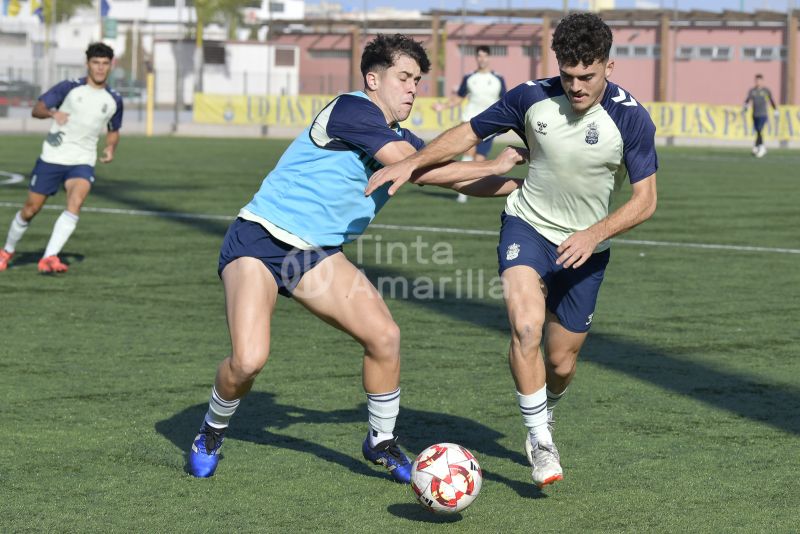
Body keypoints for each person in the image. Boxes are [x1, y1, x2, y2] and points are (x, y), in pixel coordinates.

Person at [187, 33, 525, 482]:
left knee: (384, 337)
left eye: (418, 80)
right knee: (248, 360)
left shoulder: (400, 137)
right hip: (261, 240)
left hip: (316, 255)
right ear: (373, 78)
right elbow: (414, 165)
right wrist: (491, 164)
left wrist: (528, 189)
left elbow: (447, 177)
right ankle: (211, 430)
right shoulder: (353, 110)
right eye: (404, 77)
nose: (412, 88)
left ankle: (380, 441)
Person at [366, 14, 658, 489]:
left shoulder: (631, 119)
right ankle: (539, 438)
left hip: (586, 247)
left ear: (610, 65)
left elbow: (645, 201)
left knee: (561, 364)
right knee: (525, 327)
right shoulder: (531, 97)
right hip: (528, 226)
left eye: (588, 75)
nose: (577, 86)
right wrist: (414, 161)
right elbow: (468, 133)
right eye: (568, 75)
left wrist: (592, 234)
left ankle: (545, 406)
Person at [0, 42, 122, 273]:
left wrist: (110, 147)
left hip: (82, 161)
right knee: (30, 209)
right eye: (96, 63)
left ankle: (49, 257)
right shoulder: (69, 87)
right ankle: (6, 250)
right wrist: (53, 113)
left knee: (76, 202)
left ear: (110, 66)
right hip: (53, 158)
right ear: (88, 64)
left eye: (105, 64)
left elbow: (114, 131)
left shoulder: (114, 99)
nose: (100, 68)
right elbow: (37, 109)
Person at [433, 45, 506, 203]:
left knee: (479, 161)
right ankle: (462, 194)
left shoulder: (498, 79)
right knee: (468, 154)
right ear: (476, 58)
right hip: (469, 120)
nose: (482, 59)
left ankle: (468, 187)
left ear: (489, 57)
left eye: (484, 56)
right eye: (479, 56)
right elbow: (459, 98)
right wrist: (443, 106)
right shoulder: (469, 78)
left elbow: (504, 102)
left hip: (490, 125)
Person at [743, 74, 778, 158]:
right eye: (756, 80)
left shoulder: (766, 91)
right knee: (757, 131)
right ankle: (756, 147)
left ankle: (761, 147)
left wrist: (775, 109)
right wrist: (746, 106)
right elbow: (748, 99)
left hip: (763, 114)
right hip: (755, 114)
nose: (758, 82)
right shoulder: (753, 91)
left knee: (759, 129)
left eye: (759, 80)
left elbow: (771, 100)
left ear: (762, 81)